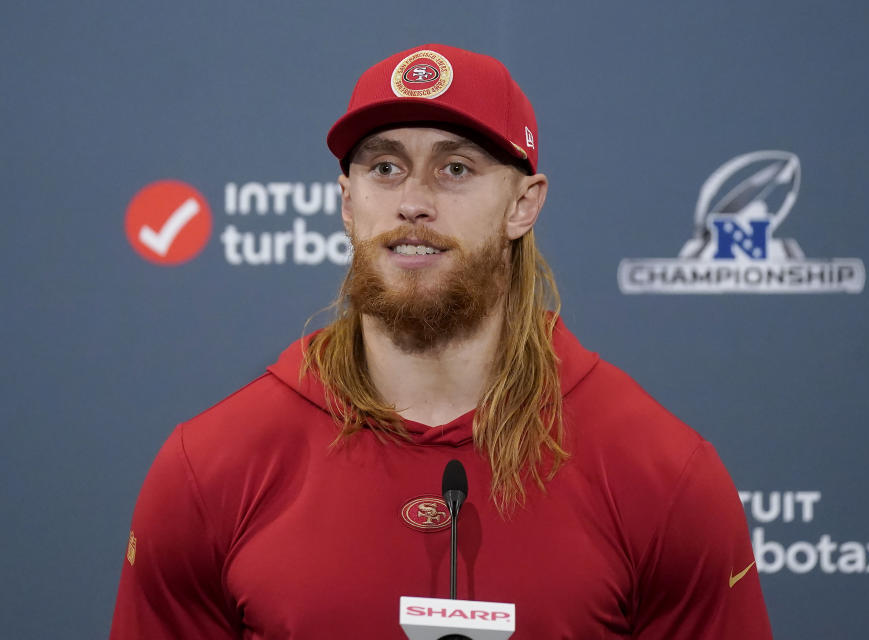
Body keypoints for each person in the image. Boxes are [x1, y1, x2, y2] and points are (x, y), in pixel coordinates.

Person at [110, 44, 773, 639]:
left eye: (455, 169)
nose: (413, 202)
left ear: (524, 204)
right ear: (347, 201)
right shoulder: (211, 466)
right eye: (385, 168)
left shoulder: (661, 473)